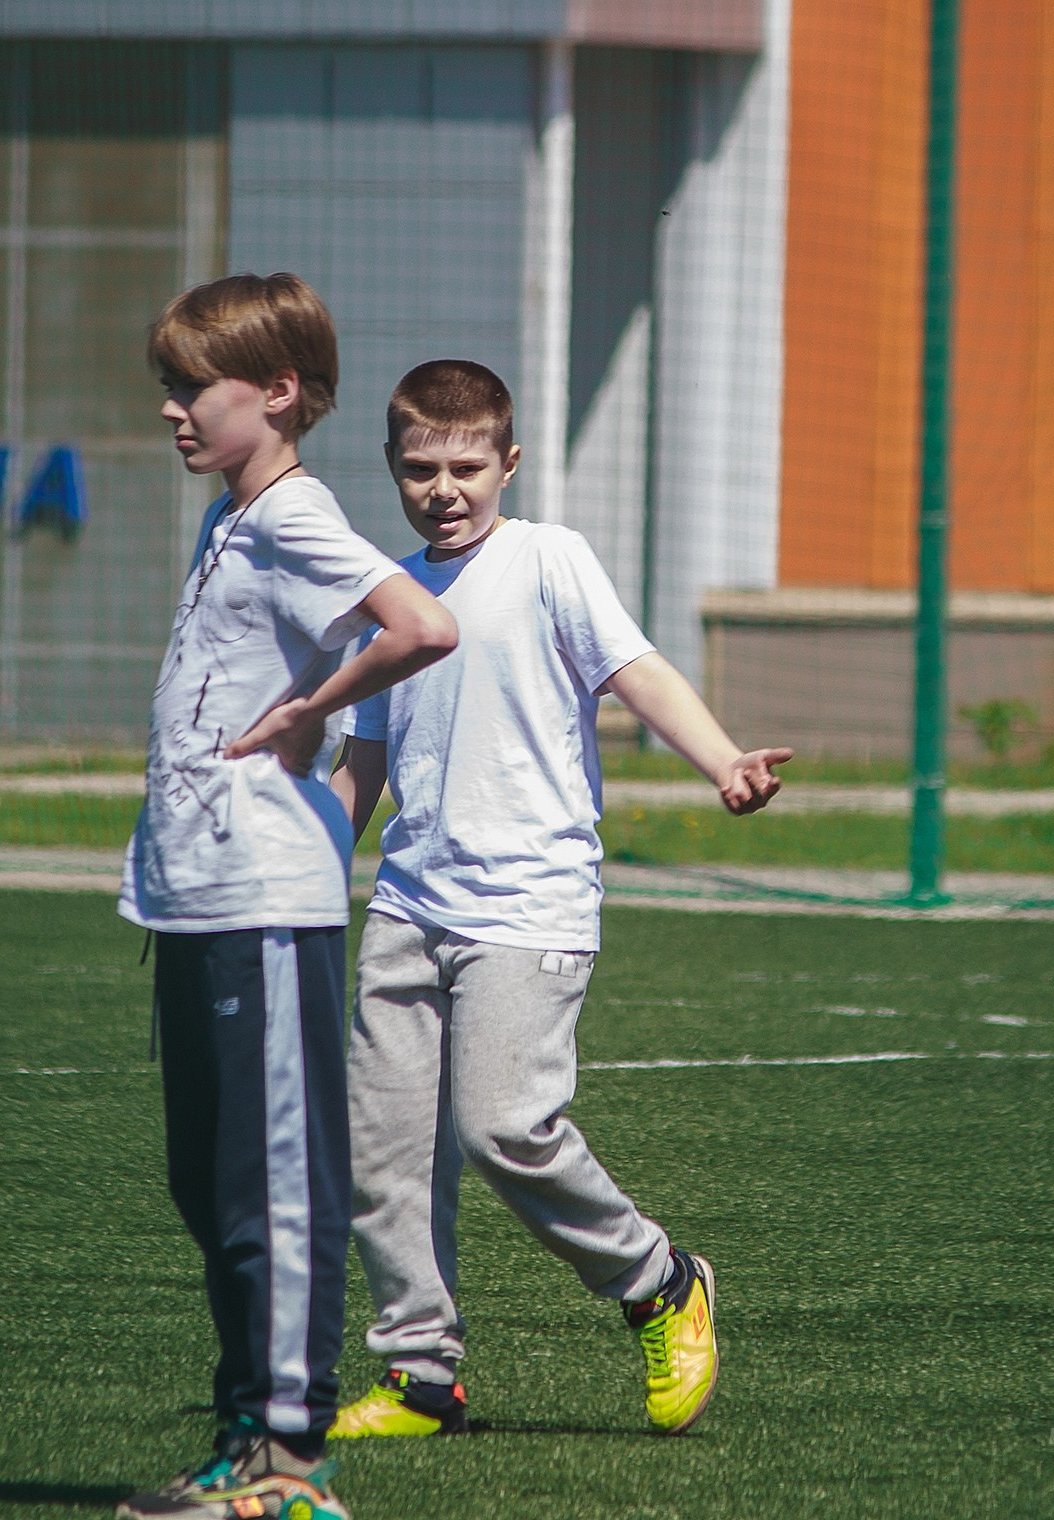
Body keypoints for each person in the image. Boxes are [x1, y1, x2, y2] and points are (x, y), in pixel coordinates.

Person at [326, 360, 791, 1442]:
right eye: (421, 469)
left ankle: (658, 1280)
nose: (444, 489)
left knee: (502, 1127)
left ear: (509, 463)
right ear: (392, 468)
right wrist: (300, 876)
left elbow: (639, 671)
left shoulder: (547, 559)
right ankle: (419, 1375)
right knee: (383, 1151)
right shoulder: (389, 599)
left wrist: (721, 760)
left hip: (528, 907)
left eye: (466, 467)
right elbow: (363, 766)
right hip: (406, 907)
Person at [116, 276, 458, 1520]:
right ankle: (240, 1438)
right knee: (208, 1187)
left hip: (264, 895)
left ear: (275, 392)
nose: (172, 409)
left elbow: (420, 625)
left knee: (267, 1186)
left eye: (192, 387)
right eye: (167, 385)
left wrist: (310, 708)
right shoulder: (235, 515)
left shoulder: (294, 513)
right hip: (201, 895)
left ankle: (290, 1463)